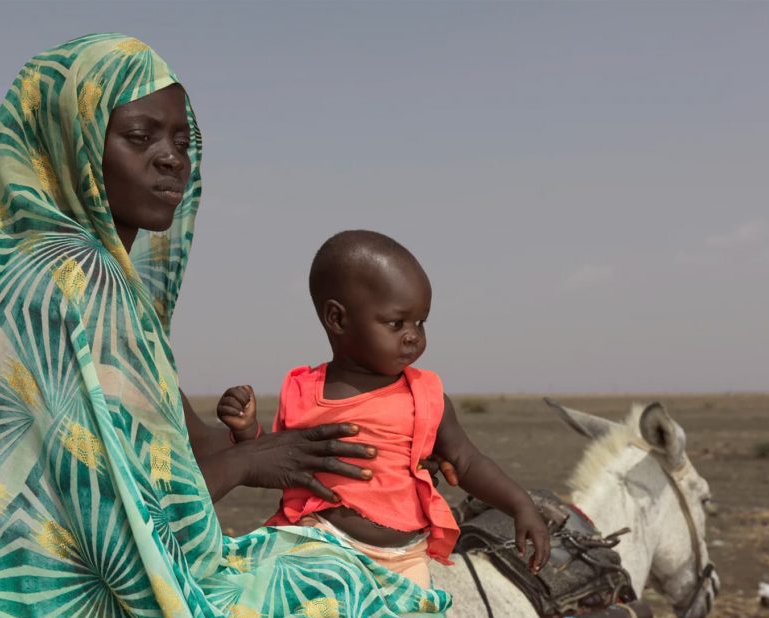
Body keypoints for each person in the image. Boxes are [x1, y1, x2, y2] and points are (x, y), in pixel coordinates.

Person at [0, 34, 453, 618]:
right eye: (139, 137)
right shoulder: (79, 280)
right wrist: (247, 464)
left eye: (182, 141)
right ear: (69, 142)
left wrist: (383, 452)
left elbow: (178, 447)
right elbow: (130, 519)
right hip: (33, 606)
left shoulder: (27, 270)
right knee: (348, 585)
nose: (171, 158)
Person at [217, 230, 551, 588]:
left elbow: (467, 461)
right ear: (338, 320)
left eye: (421, 322)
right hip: (322, 546)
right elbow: (280, 464)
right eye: (397, 323)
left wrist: (520, 504)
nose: (413, 335)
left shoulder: (425, 395)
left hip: (404, 559)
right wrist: (246, 431)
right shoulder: (304, 390)